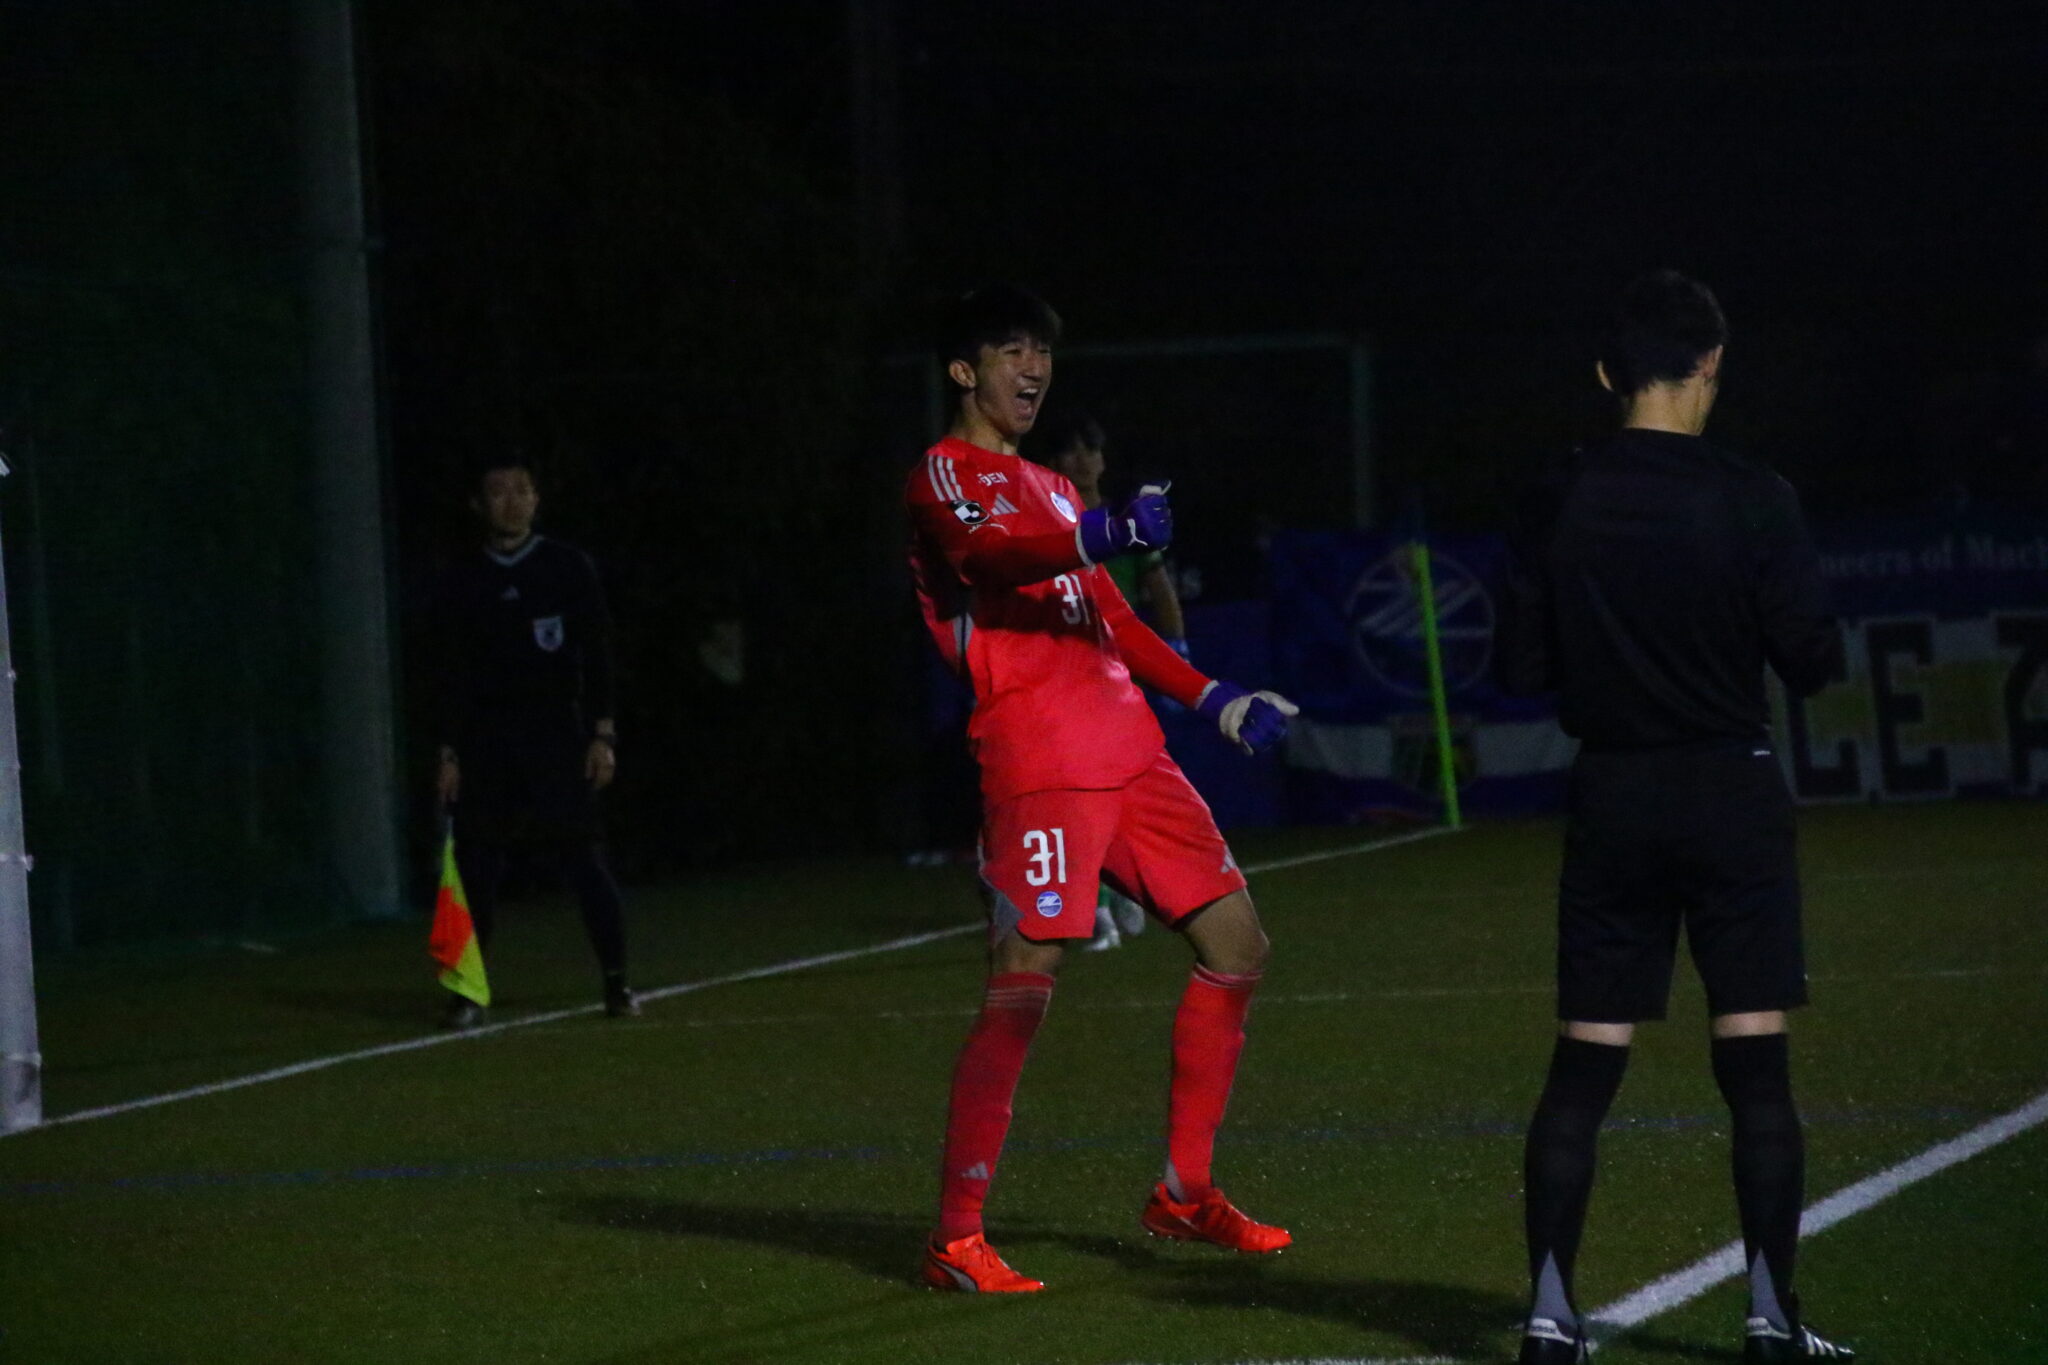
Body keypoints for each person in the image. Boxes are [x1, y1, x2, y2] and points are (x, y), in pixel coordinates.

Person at [907, 284, 1300, 1293]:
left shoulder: (1050, 485)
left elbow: (1112, 619)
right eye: (1010, 350)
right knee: (1021, 984)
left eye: (1040, 351)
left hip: (1132, 757)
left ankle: (1184, 1191)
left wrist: (1215, 699)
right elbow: (991, 558)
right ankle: (956, 1235)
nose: (1032, 367)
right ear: (964, 370)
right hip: (1040, 763)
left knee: (1237, 947)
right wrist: (1103, 531)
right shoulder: (944, 476)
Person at [1496, 271, 1852, 1363]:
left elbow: (1519, 667)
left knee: (1584, 1060)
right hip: (1729, 787)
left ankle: (1549, 1317)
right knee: (1754, 1059)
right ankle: (1769, 1321)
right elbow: (1812, 658)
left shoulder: (1558, 492)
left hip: (1613, 792)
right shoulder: (1752, 491)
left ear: (1607, 372)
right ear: (1711, 364)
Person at [433, 456, 638, 1026]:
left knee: (584, 859)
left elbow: (597, 652)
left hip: (555, 734)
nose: (512, 502)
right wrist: (449, 751)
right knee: (475, 866)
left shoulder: (567, 566)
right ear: (479, 505)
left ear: (537, 500)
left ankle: (617, 983)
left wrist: (602, 734)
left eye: (522, 490)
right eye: (498, 492)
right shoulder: (463, 576)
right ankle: (467, 993)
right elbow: (449, 670)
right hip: (487, 739)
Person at [1044, 412, 1191, 951]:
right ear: (1053, 462)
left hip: (1120, 668)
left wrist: (1177, 652)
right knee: (1080, 789)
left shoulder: (1124, 520)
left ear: (1104, 460)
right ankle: (1101, 907)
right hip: (1067, 670)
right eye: (1071, 451)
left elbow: (1159, 587)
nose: (1083, 460)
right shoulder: (1046, 520)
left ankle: (1121, 886)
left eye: (1091, 450)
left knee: (1122, 788)